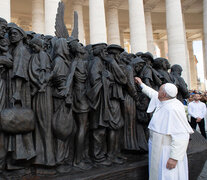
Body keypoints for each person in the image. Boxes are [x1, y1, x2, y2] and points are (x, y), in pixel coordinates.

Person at [134, 77, 193, 180]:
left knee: (168, 175)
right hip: (157, 146)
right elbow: (152, 93)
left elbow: (182, 135)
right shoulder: (165, 100)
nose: (158, 92)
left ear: (164, 94)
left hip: (167, 151)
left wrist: (174, 158)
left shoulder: (173, 109)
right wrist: (141, 84)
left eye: (160, 90)